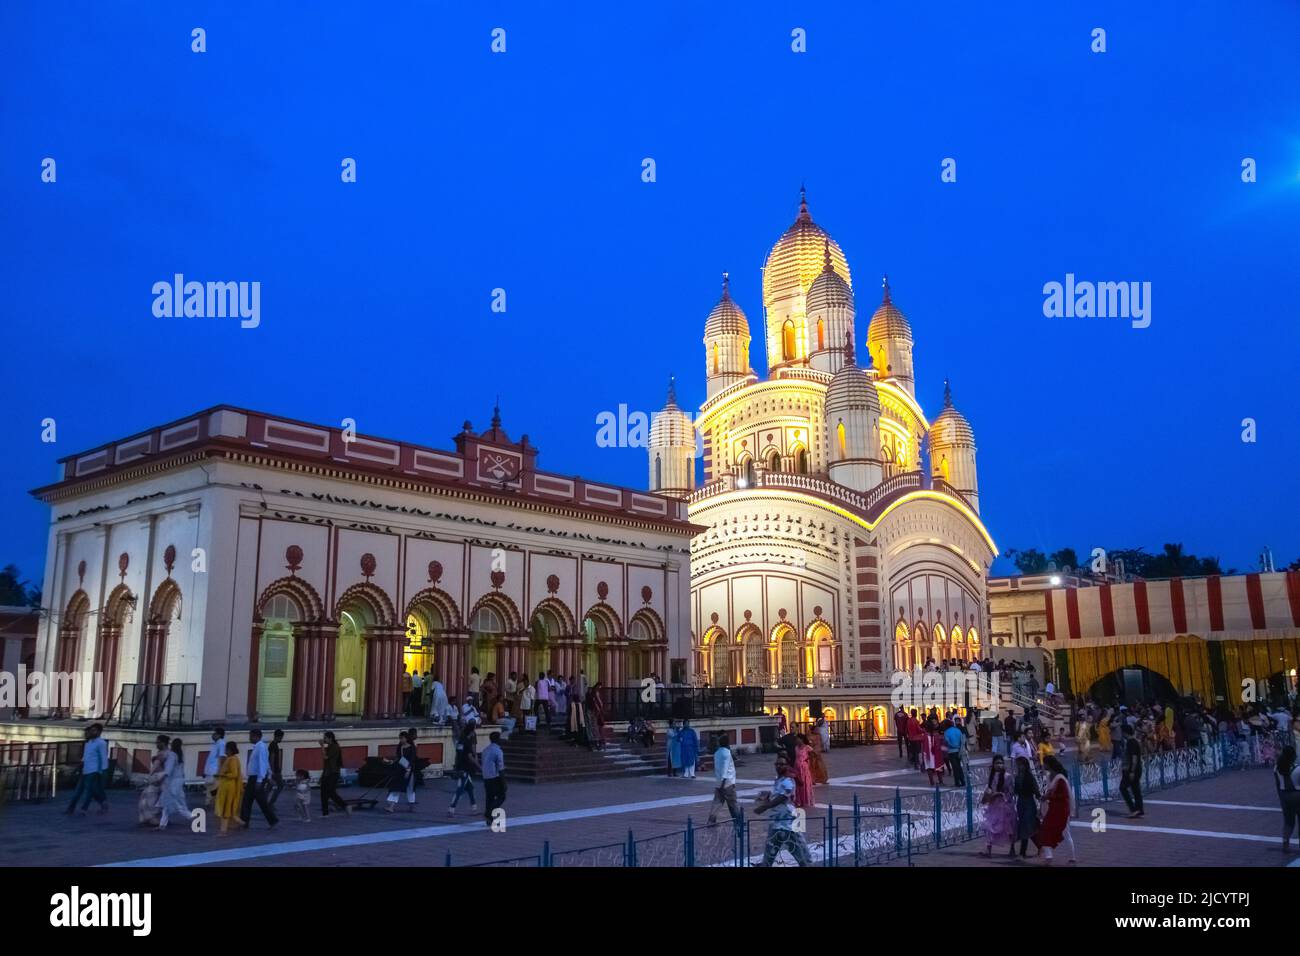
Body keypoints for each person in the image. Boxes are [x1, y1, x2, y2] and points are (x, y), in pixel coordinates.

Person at [752, 753, 812, 867]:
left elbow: (783, 797)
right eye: (777, 764)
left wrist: (765, 806)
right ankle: (766, 864)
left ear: (787, 766)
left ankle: (806, 864)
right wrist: (766, 796)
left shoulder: (788, 781)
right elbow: (776, 795)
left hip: (788, 822)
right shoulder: (778, 780)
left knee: (797, 848)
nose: (779, 766)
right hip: (776, 820)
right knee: (771, 846)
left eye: (782, 764)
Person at [1033, 755, 1076, 864]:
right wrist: (1046, 796)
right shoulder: (1049, 776)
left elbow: (1063, 795)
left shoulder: (1060, 778)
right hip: (1053, 808)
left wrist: (1049, 796)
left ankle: (1070, 856)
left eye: (1045, 763)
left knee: (1064, 832)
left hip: (1061, 809)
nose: (1044, 765)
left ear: (1049, 764)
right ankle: (1049, 856)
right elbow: (1049, 791)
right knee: (1047, 830)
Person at [66, 723, 109, 816]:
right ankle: (71, 808)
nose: (91, 732)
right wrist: (79, 766)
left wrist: (104, 771)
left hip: (94, 771)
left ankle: (83, 809)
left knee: (89, 791)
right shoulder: (88, 743)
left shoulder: (101, 743)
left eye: (94, 730)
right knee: (79, 791)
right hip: (85, 770)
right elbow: (85, 756)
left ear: (99, 732)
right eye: (91, 730)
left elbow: (103, 757)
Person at [239, 729, 280, 829]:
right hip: (255, 778)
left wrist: (260, 780)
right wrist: (268, 775)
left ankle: (271, 820)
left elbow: (262, 764)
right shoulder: (259, 747)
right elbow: (265, 763)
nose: (249, 738)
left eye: (250, 736)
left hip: (256, 778)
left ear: (255, 736)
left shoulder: (260, 747)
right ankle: (245, 822)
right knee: (249, 800)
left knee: (256, 801)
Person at [981, 754, 1017, 857]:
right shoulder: (992, 776)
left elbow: (1010, 792)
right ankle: (988, 850)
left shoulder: (1008, 776)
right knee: (989, 826)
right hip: (993, 806)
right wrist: (988, 794)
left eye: (1001, 763)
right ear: (993, 764)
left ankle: (1012, 848)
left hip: (1004, 806)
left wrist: (999, 794)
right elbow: (990, 789)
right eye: (997, 763)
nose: (999, 765)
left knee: (1008, 828)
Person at [157, 737, 193, 830]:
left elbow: (168, 769)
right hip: (179, 781)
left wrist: (161, 778)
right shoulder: (180, 755)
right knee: (171, 802)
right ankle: (162, 824)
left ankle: (192, 816)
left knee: (174, 803)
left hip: (172, 782)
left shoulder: (172, 755)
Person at [706, 733, 739, 824]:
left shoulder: (717, 753)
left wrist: (720, 783)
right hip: (727, 782)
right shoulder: (727, 753)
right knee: (733, 803)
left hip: (719, 782)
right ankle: (738, 821)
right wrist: (723, 783)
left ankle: (711, 820)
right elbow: (725, 770)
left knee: (717, 802)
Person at [448, 721, 480, 816]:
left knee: (470, 788)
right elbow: (470, 756)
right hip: (465, 767)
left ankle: (474, 807)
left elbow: (458, 754)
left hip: (461, 766)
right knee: (460, 789)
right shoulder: (467, 742)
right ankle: (451, 808)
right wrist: (479, 766)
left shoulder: (461, 740)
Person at [1012, 755, 1040, 859]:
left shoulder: (1030, 776)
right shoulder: (1017, 777)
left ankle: (1022, 852)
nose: (1020, 767)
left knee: (1027, 826)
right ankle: (1039, 847)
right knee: (1026, 827)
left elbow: (1036, 790)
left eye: (1021, 765)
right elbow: (1015, 791)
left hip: (1029, 802)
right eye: (1018, 765)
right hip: (1021, 803)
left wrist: (1040, 800)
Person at [215, 740, 244, 835]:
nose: (225, 751)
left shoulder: (232, 760)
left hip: (228, 787)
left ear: (230, 750)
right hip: (227, 786)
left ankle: (223, 831)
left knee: (225, 809)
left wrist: (223, 775)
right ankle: (241, 823)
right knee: (230, 810)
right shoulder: (232, 759)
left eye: (226, 749)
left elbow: (234, 774)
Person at [1274, 745, 1300, 853]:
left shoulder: (1276, 768)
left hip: (1284, 795)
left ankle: (1285, 843)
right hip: (1297, 794)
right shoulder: (1298, 768)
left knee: (1288, 822)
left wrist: (1281, 798)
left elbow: (1277, 784)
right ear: (1293, 756)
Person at [319, 731, 352, 816]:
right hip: (327, 772)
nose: (324, 739)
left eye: (325, 738)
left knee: (330, 792)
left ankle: (345, 805)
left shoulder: (335, 747)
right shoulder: (330, 746)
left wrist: (322, 746)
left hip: (333, 772)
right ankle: (325, 813)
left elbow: (326, 757)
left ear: (330, 738)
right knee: (323, 793)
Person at [138, 735, 167, 826]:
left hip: (160, 782)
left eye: (158, 742)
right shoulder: (162, 753)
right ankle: (151, 819)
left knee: (151, 802)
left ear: (163, 743)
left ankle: (153, 819)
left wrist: (150, 776)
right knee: (147, 799)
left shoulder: (164, 754)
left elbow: (158, 768)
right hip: (158, 781)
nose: (156, 744)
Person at [1119, 723, 1144, 818]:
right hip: (1136, 769)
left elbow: (1134, 757)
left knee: (1123, 788)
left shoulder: (1131, 742)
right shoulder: (1134, 742)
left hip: (1131, 770)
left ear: (1125, 733)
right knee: (1135, 789)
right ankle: (1139, 809)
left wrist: (1132, 771)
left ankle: (1133, 809)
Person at [482, 731, 507, 825]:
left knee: (489, 797)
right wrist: (504, 782)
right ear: (497, 739)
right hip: (495, 777)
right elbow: (500, 768)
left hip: (486, 776)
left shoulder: (485, 750)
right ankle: (488, 813)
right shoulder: (498, 751)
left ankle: (489, 820)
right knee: (501, 796)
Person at [203, 725, 226, 807]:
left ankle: (215, 803)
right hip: (210, 770)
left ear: (219, 735)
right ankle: (211, 803)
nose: (213, 735)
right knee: (210, 787)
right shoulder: (215, 744)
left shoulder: (221, 744)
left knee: (213, 788)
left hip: (215, 770)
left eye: (215, 733)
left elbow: (222, 757)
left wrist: (219, 771)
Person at [792, 734, 815, 808]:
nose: (797, 741)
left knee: (805, 783)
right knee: (798, 784)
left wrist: (807, 760)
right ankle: (799, 800)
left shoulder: (807, 747)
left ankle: (806, 800)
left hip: (804, 768)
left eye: (798, 739)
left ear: (802, 739)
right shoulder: (796, 748)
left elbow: (813, 755)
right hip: (797, 767)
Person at [944, 718, 966, 786]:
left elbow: (947, 741)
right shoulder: (958, 730)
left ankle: (957, 782)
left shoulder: (946, 732)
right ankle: (962, 781)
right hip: (959, 750)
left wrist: (952, 745)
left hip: (951, 751)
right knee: (959, 766)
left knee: (954, 767)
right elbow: (962, 740)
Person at [267, 729, 286, 806]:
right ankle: (270, 803)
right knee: (280, 786)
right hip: (275, 770)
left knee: (269, 787)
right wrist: (272, 771)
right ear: (277, 737)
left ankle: (265, 802)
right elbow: (272, 758)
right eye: (281, 738)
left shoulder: (273, 745)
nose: (281, 739)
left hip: (273, 769)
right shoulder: (273, 745)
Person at [586, 682, 606, 750]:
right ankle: (595, 742)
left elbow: (599, 702)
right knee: (593, 727)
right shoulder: (593, 693)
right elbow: (595, 702)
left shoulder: (596, 692)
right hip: (593, 711)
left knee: (596, 727)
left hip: (596, 711)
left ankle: (597, 741)